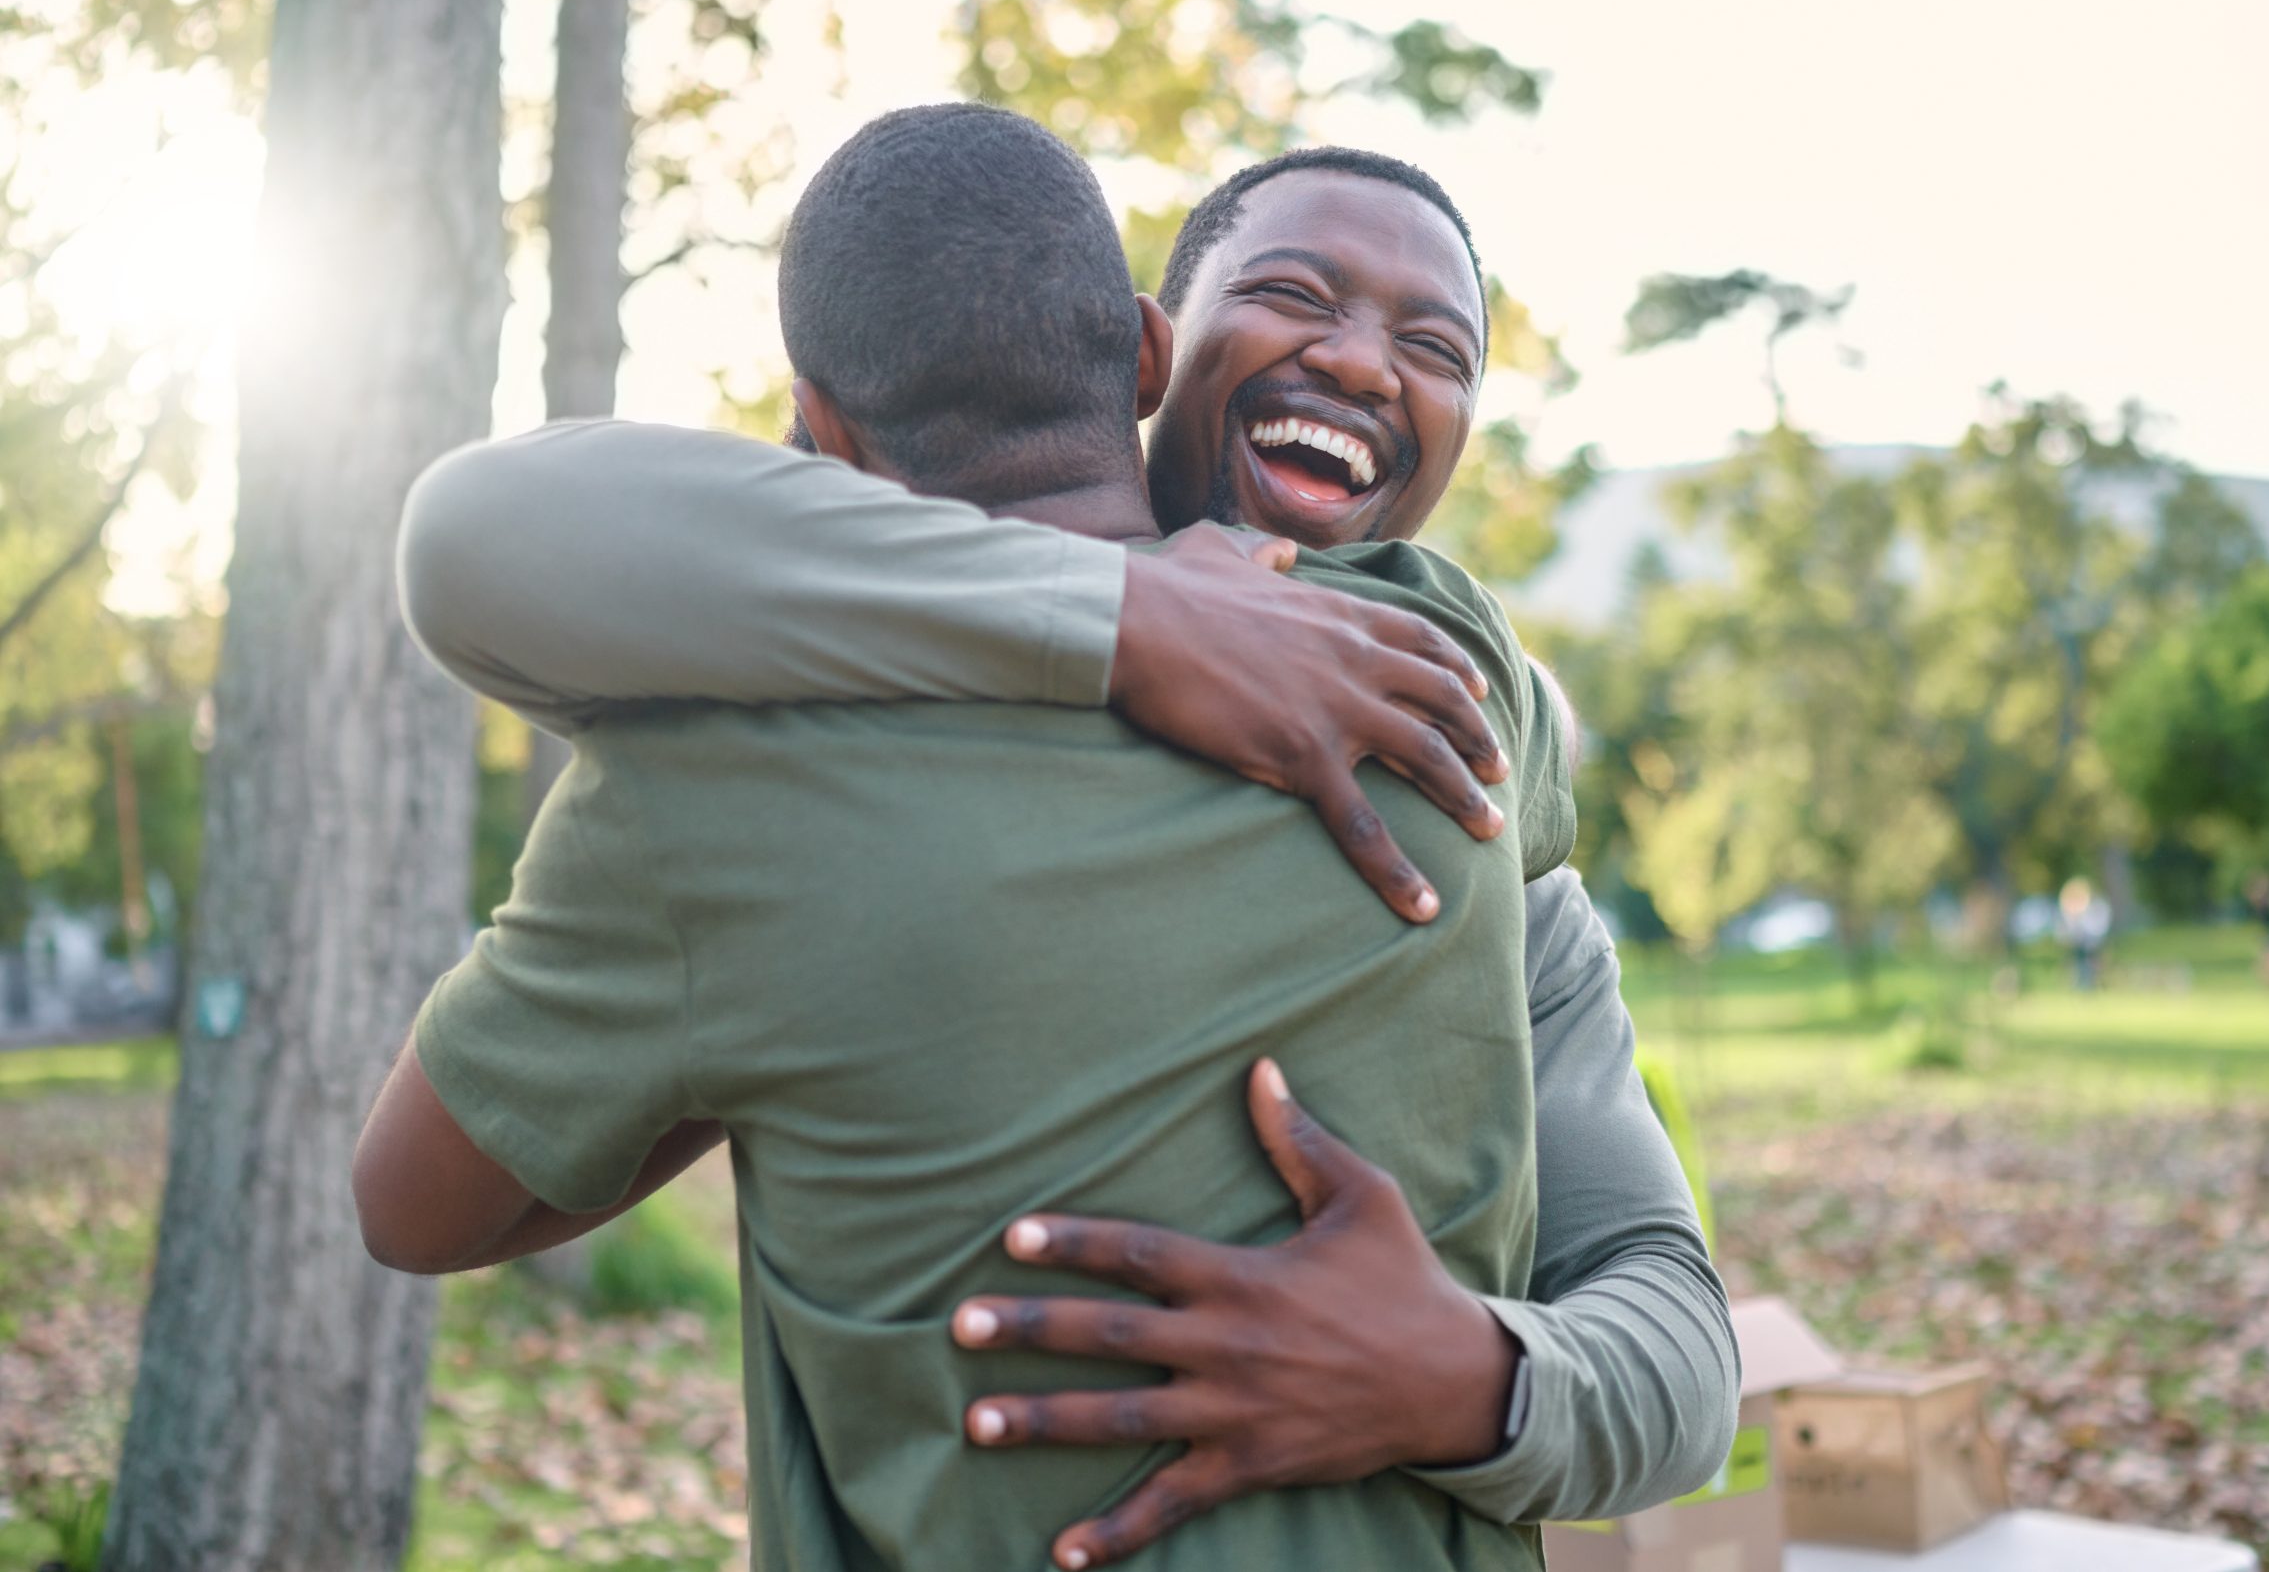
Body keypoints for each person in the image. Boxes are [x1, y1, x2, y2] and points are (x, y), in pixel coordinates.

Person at [353, 104, 1682, 1572]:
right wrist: (1120, 615)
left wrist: (1467, 1381)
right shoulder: (1457, 684)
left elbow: (414, 1202)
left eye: (1434, 348)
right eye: (1297, 296)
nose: (1363, 361)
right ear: (1150, 352)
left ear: (829, 433)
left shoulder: (709, 787)